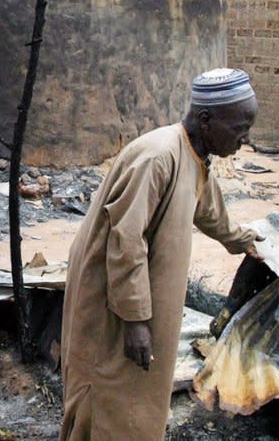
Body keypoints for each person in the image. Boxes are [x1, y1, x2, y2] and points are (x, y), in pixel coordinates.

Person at [60, 68, 264, 440]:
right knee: (107, 392)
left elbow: (209, 209)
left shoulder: (193, 153)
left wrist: (245, 241)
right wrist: (136, 321)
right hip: (113, 301)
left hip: (138, 299)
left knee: (138, 394)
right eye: (240, 129)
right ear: (206, 119)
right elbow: (126, 241)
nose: (245, 139)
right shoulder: (157, 157)